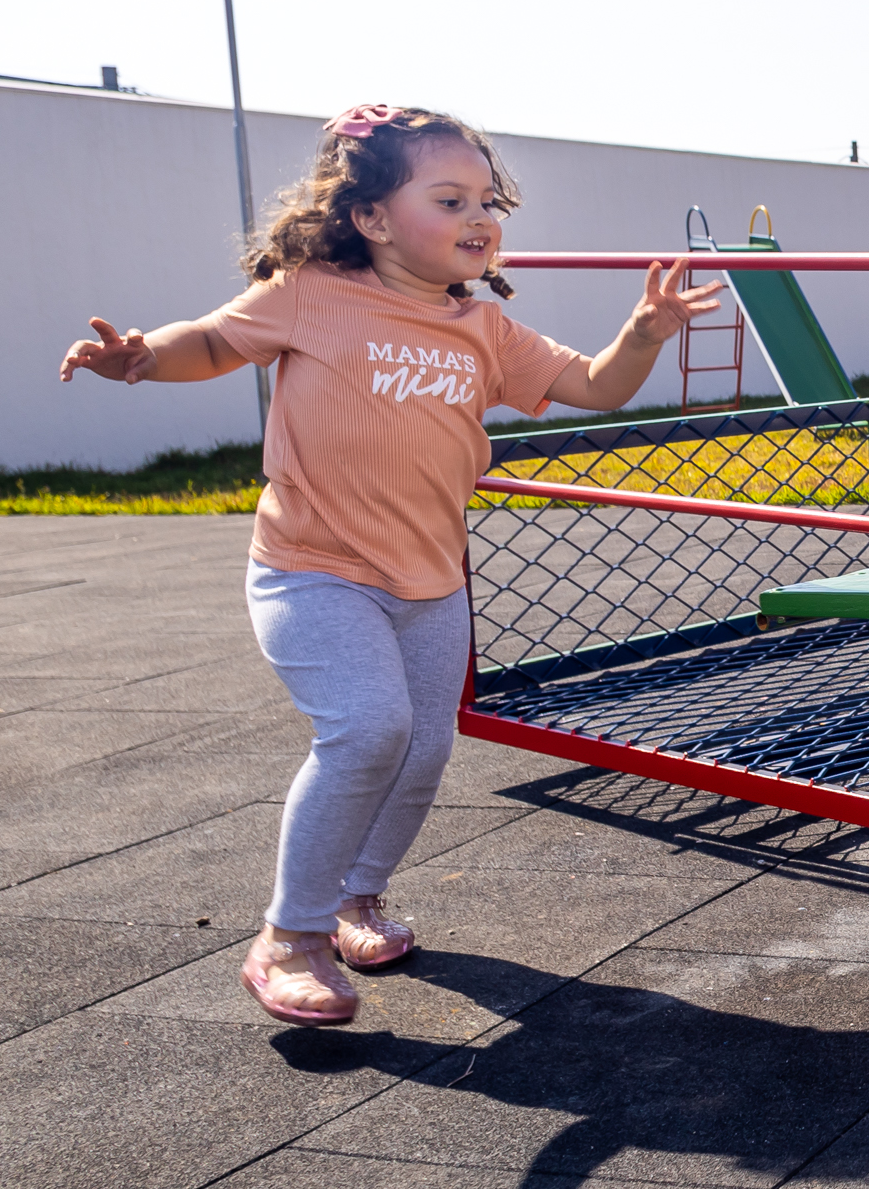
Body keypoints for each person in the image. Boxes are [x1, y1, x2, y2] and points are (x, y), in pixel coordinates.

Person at [58, 105, 723, 1028]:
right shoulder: (310, 292)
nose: (479, 217)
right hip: (313, 568)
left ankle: (357, 899)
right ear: (370, 217)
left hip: (431, 581)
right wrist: (140, 359)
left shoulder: (485, 331)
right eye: (449, 198)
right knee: (369, 731)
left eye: (487, 200)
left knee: (422, 750)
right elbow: (212, 342)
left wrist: (644, 332)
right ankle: (288, 940)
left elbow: (595, 386)